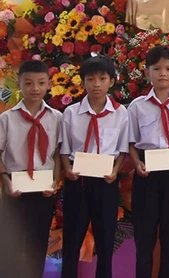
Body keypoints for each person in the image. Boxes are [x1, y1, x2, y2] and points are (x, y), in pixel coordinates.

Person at [127, 46, 169, 278]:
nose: (163, 74)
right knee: (144, 238)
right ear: (148, 72)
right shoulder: (137, 106)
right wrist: (137, 164)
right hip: (147, 173)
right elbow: (131, 142)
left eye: (168, 69)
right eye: (156, 69)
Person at [60, 55, 130, 278]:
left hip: (106, 182)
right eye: (91, 79)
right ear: (83, 82)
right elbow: (64, 149)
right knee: (71, 242)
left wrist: (115, 171)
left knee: (106, 241)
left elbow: (122, 150)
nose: (97, 84)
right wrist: (67, 170)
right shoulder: (71, 112)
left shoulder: (120, 113)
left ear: (111, 81)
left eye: (102, 78)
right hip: (77, 181)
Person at [0, 60, 63, 278]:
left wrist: (55, 182)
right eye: (28, 83)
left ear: (48, 85)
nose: (35, 88)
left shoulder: (57, 118)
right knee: (11, 246)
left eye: (40, 83)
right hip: (14, 191)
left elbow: (56, 154)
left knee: (37, 245)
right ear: (19, 85)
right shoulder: (6, 119)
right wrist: (5, 180)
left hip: (42, 192)